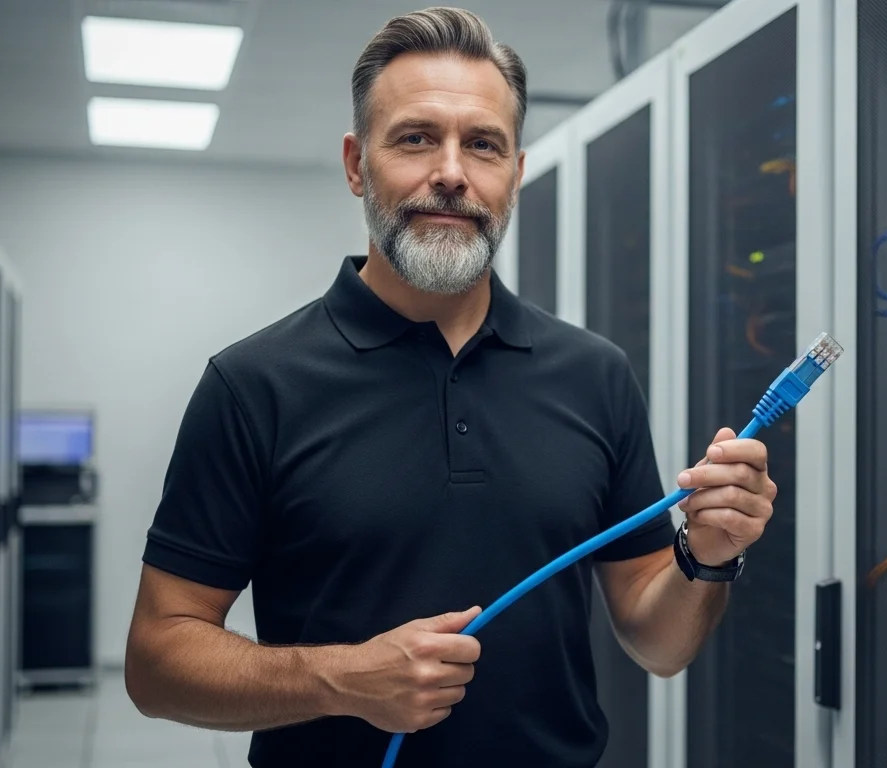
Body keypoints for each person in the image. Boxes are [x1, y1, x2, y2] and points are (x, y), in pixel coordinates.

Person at [123, 6, 779, 767]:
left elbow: (658, 644)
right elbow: (157, 660)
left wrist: (706, 557)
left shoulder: (595, 374)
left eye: (483, 145)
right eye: (415, 138)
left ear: (515, 176)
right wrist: (342, 679)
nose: (451, 173)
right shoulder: (254, 385)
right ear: (356, 165)